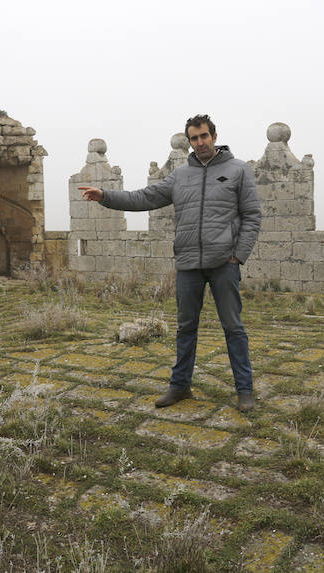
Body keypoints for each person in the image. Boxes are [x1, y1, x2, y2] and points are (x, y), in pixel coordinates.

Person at [79, 114, 262, 412]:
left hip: (224, 262)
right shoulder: (180, 176)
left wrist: (239, 255)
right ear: (189, 141)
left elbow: (252, 216)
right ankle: (180, 387)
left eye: (204, 136)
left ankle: (245, 391)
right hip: (188, 262)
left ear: (214, 136)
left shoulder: (238, 170)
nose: (200, 142)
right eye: (194, 138)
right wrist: (105, 196)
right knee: (185, 328)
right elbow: (145, 197)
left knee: (233, 327)